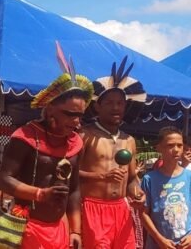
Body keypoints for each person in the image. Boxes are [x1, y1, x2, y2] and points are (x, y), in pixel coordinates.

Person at [0, 43, 89, 249]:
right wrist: (40, 194)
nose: (77, 122)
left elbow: (74, 190)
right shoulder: (25, 137)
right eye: (70, 114)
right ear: (51, 109)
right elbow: (4, 180)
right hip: (25, 227)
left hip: (59, 229)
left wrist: (75, 230)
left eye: (80, 115)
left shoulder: (76, 143)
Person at [78, 57, 146, 248]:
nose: (116, 107)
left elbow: (132, 177)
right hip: (92, 208)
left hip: (121, 209)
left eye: (120, 103)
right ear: (98, 106)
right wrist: (101, 176)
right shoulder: (85, 135)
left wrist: (137, 192)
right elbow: (67, 172)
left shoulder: (129, 140)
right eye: (109, 103)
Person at [141, 127, 191, 249]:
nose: (176, 150)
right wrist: (160, 239)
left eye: (179, 145)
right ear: (158, 148)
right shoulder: (149, 179)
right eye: (170, 145)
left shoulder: (189, 176)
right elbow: (143, 213)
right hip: (158, 244)